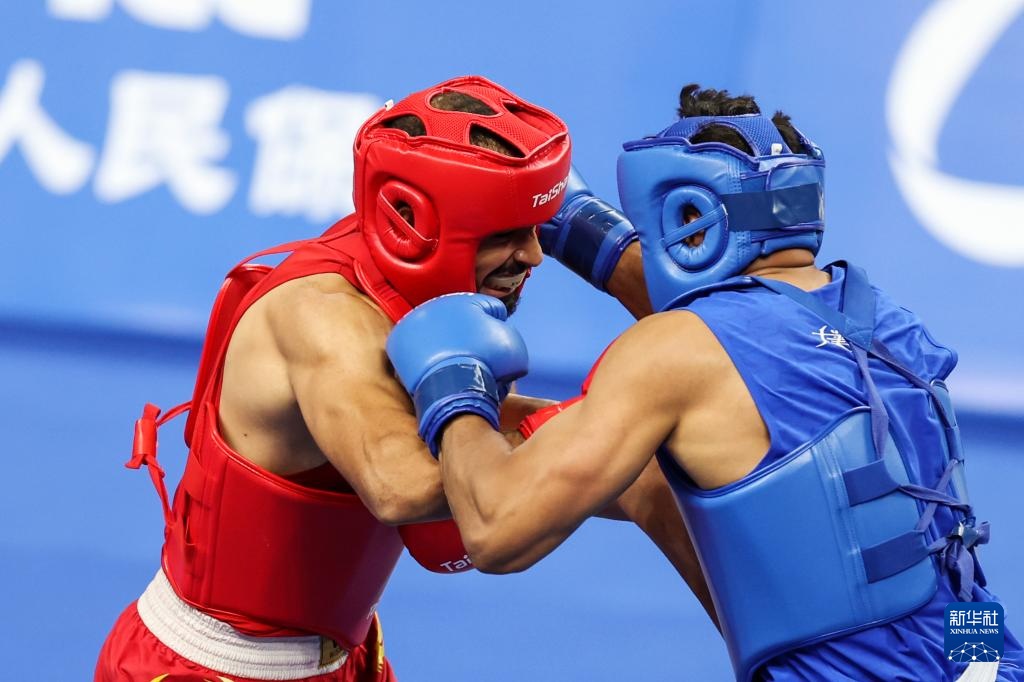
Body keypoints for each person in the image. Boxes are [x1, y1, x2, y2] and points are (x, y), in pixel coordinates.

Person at [386, 84, 1024, 681]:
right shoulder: (890, 324)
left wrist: (453, 384)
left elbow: (496, 529)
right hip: (986, 655)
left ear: (687, 218)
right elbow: (742, 333)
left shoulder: (677, 352)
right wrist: (582, 232)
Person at [93, 75, 578, 682]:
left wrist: (627, 419)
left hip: (346, 657)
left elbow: (464, 427)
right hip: (210, 669)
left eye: (536, 227)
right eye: (505, 234)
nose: (534, 255)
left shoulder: (403, 276)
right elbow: (400, 485)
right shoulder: (324, 315)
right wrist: (603, 431)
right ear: (416, 221)